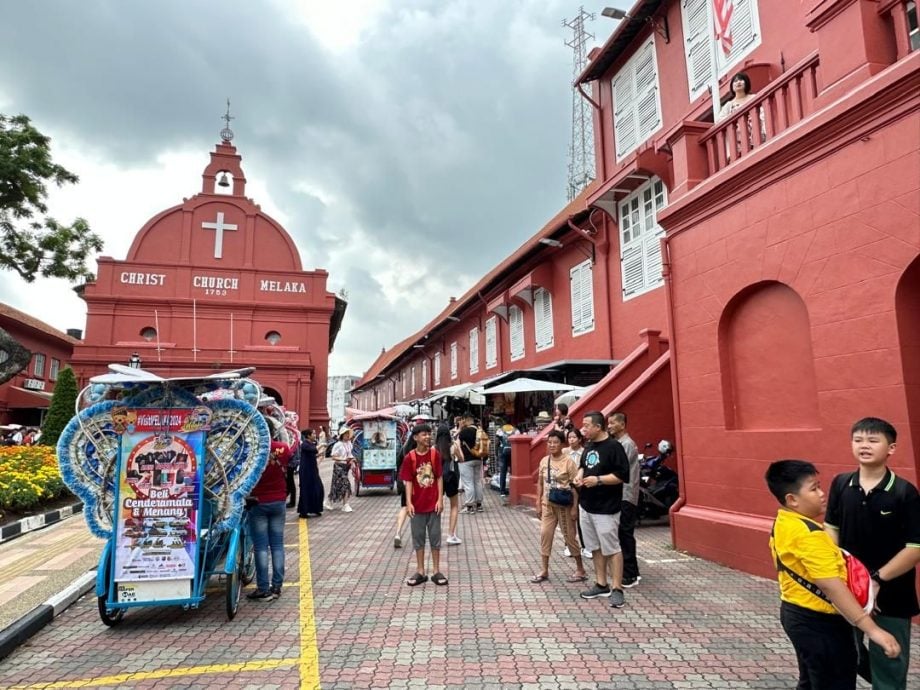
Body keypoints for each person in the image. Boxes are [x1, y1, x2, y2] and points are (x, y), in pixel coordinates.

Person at [765, 459, 900, 689]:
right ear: (792, 499)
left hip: (796, 613)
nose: (822, 493)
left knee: (811, 681)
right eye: (814, 488)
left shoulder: (785, 522)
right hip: (820, 624)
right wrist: (872, 630)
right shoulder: (809, 535)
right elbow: (831, 586)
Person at [825, 418, 920, 689]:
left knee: (890, 661)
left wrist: (875, 581)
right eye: (858, 440)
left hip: (892, 594)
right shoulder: (841, 484)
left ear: (891, 448)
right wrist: (839, 571)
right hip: (848, 591)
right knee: (844, 656)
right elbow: (831, 530)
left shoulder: (904, 492)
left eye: (872, 440)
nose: (864, 446)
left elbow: (915, 549)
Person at [573, 411, 630, 609]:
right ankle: (601, 583)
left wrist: (598, 480)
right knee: (595, 546)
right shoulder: (589, 446)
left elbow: (622, 475)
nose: (583, 429)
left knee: (612, 548)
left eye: (587, 425)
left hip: (607, 508)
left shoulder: (614, 447)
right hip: (586, 505)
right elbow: (583, 466)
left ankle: (617, 588)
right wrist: (579, 476)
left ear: (598, 427)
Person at [530, 430, 587, 584]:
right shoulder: (544, 461)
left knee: (569, 538)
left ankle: (580, 569)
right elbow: (541, 483)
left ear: (562, 444)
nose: (552, 445)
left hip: (564, 506)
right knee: (545, 535)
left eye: (555, 442)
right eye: (550, 442)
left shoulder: (569, 462)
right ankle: (544, 570)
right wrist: (538, 503)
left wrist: (575, 507)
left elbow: (576, 486)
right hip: (547, 505)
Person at [399, 423, 447, 587]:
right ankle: (420, 571)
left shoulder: (435, 455)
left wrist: (440, 499)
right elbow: (408, 481)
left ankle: (436, 570)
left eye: (429, 434)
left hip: (433, 504)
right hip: (417, 505)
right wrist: (409, 503)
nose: (427, 437)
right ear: (415, 438)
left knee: (435, 538)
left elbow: (439, 477)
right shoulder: (409, 458)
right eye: (424, 434)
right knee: (418, 538)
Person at [247, 438, 291, 601]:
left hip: (258, 501)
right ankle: (277, 586)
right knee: (278, 545)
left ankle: (263, 588)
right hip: (279, 501)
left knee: (261, 547)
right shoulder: (283, 448)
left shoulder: (251, 447)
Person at [608, 412, 641, 588]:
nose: (610, 426)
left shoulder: (627, 444)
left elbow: (620, 469)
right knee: (622, 533)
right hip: (620, 495)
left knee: (625, 534)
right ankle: (631, 570)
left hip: (626, 495)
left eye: (613, 423)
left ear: (622, 424)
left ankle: (630, 574)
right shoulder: (620, 444)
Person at [435, 421, 462, 545]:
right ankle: (451, 535)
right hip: (451, 477)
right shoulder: (453, 446)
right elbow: (461, 458)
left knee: (436, 506)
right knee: (454, 506)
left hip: (437, 479)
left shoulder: (433, 449)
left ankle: (434, 533)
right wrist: (457, 446)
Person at [458, 414, 484, 514]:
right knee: (477, 481)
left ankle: (470, 506)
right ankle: (479, 505)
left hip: (466, 459)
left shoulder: (464, 431)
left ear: (466, 420)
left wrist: (460, 428)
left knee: (468, 483)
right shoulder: (479, 430)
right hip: (478, 458)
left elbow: (455, 440)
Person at [325, 426, 355, 512]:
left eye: (348, 434)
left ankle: (329, 501)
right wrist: (343, 459)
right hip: (339, 467)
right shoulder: (338, 445)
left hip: (346, 467)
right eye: (345, 434)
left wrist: (352, 460)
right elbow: (333, 457)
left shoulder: (349, 444)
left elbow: (350, 455)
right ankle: (345, 504)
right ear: (341, 435)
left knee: (337, 485)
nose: (347, 435)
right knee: (346, 484)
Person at [393, 434, 415, 548]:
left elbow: (397, 463)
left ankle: (398, 532)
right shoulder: (418, 451)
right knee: (418, 507)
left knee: (404, 507)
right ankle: (419, 533)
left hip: (402, 480)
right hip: (414, 482)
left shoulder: (404, 448)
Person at [297, 429, 324, 518]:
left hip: (313, 470)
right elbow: (314, 450)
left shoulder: (311, 444)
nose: (314, 435)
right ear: (308, 436)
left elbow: (312, 454)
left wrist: (319, 455)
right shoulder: (304, 444)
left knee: (318, 489)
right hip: (306, 472)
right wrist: (322, 445)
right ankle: (303, 511)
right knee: (306, 490)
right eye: (313, 433)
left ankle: (315, 508)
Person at [285, 436, 300, 508]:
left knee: (290, 482)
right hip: (293, 463)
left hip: (291, 463)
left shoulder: (292, 440)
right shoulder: (295, 439)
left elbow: (290, 453)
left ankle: (292, 501)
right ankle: (288, 499)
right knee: (289, 481)